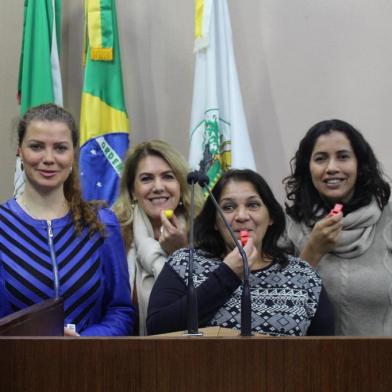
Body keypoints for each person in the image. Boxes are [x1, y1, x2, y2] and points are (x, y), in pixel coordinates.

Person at [0, 103, 134, 336]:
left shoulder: (103, 224)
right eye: (36, 146)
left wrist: (83, 343)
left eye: (60, 148)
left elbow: (120, 310)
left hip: (90, 366)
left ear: (74, 154)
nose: (49, 158)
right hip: (14, 367)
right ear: (19, 151)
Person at [147, 169, 334, 336]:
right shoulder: (185, 262)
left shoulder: (302, 274)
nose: (242, 216)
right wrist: (227, 275)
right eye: (228, 207)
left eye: (253, 205)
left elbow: (324, 353)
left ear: (270, 217)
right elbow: (157, 329)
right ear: (214, 221)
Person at [284, 119, 392, 335]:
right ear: (308, 167)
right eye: (321, 158)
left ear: (359, 165)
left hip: (382, 363)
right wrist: (312, 252)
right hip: (311, 365)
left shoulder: (388, 219)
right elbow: (278, 314)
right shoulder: (287, 227)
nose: (332, 168)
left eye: (343, 157)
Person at [113, 140, 203, 335]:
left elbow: (208, 302)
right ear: (132, 191)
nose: (158, 187)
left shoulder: (204, 232)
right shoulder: (114, 236)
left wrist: (182, 252)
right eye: (146, 179)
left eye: (168, 177)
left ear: (180, 186)